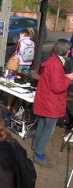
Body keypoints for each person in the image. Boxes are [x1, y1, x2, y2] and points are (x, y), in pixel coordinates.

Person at [32, 39, 73, 168]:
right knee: (48, 130)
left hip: (44, 100)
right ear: (65, 51)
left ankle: (35, 146)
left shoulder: (50, 59)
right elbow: (58, 87)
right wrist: (69, 78)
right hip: (51, 103)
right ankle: (38, 154)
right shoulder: (56, 64)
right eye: (69, 49)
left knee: (42, 124)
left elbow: (39, 70)